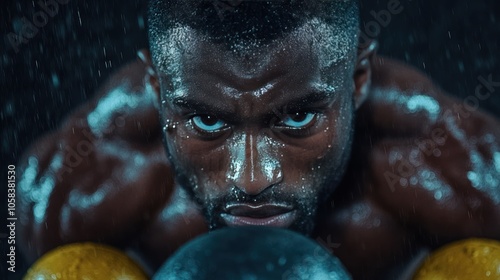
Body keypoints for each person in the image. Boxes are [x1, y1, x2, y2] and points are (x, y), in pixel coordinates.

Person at [17, 0, 500, 278]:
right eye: (207, 122)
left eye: (295, 118)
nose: (250, 179)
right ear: (157, 89)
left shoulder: (455, 170)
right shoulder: (71, 191)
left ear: (356, 82)